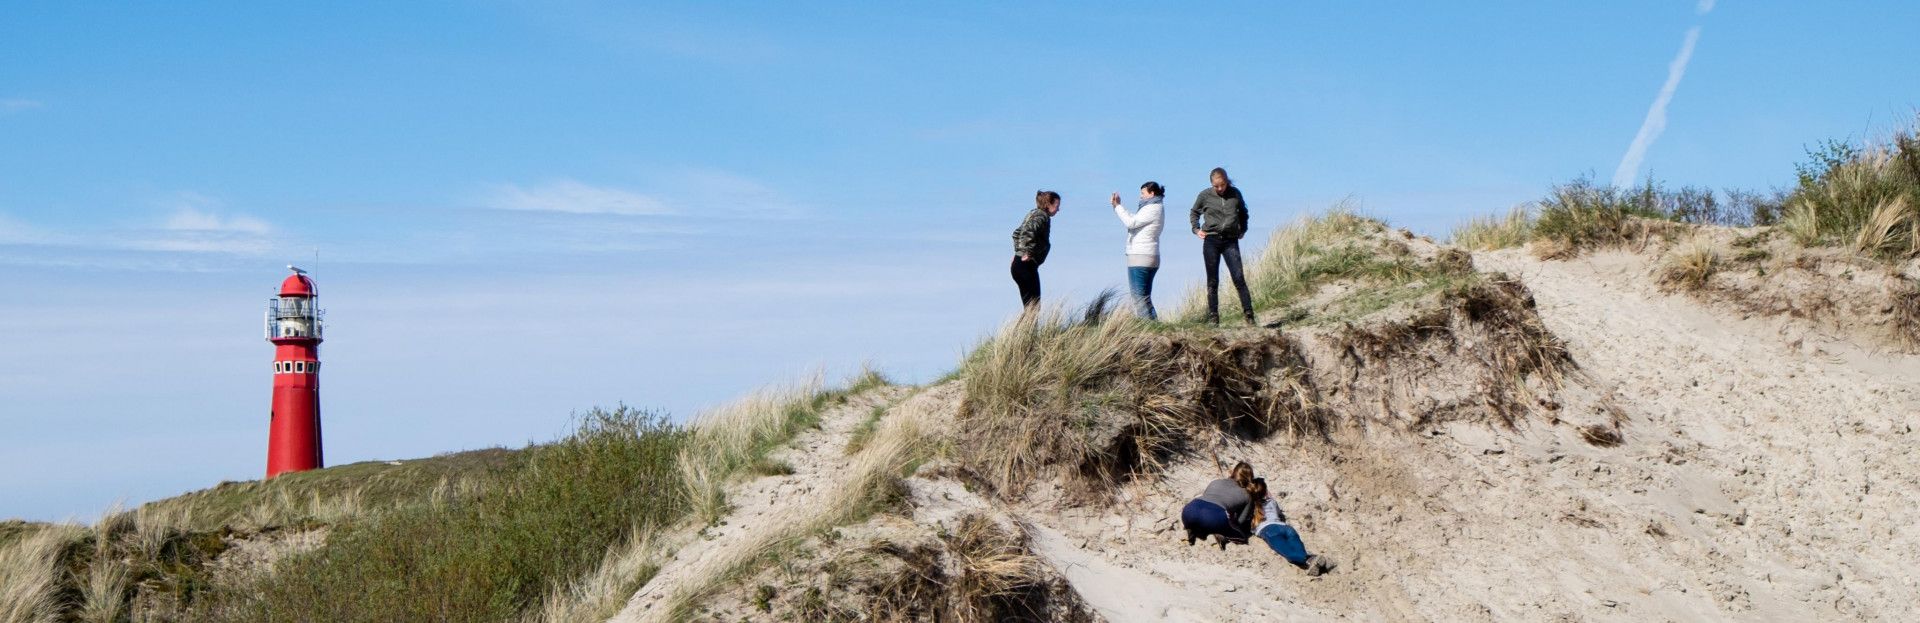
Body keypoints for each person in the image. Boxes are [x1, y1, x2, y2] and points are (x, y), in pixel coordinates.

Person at [1190, 167, 1255, 325]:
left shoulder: (1235, 193)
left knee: (1238, 277)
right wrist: (1196, 229)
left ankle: (1249, 316)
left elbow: (1243, 212)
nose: (1220, 188)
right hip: (1211, 240)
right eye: (1216, 186)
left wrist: (1243, 228)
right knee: (1213, 280)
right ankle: (1213, 317)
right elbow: (1194, 212)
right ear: (1212, 184)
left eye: (1223, 185)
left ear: (1227, 181)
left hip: (1230, 240)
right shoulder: (1204, 195)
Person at [1248, 478, 1334, 576]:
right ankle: (1316, 561)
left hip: (1269, 530)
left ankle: (1310, 560)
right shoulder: (1272, 501)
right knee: (1298, 549)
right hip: (1285, 527)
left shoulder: (1250, 506)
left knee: (1289, 553)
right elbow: (1278, 513)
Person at [1110, 182, 1165, 320]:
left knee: (1139, 298)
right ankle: (1155, 328)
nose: (1140, 197)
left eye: (1143, 193)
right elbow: (1134, 219)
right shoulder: (1154, 208)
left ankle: (1147, 331)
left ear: (1152, 193)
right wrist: (1119, 207)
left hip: (1141, 256)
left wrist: (1117, 207)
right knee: (1145, 298)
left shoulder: (1152, 208)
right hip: (1149, 255)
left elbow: (1131, 223)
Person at [1181, 461, 1256, 549]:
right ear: (1250, 478)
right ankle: (1219, 534)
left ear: (1234, 472)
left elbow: (1207, 500)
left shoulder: (1216, 482)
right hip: (1214, 516)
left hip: (1190, 510)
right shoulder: (1247, 495)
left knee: (1204, 518)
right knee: (1241, 537)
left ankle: (1193, 529)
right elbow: (1240, 521)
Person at [1011, 190, 1060, 308]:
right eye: (1057, 206)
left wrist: (1018, 252)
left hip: (1019, 265)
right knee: (1033, 306)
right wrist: (1028, 252)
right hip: (1026, 265)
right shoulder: (1042, 216)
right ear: (1048, 204)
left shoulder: (1033, 214)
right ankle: (1027, 326)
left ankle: (1026, 326)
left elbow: (1016, 233)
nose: (1058, 209)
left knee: (1030, 305)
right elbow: (1029, 232)